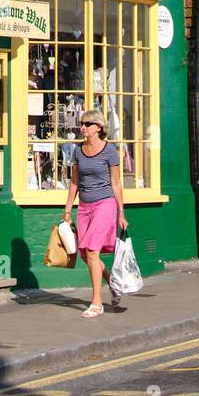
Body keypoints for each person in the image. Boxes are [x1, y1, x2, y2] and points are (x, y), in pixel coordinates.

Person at [62, 109, 127, 318]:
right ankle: (113, 284)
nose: (83, 127)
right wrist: (68, 209)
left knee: (92, 251)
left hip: (105, 205)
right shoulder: (78, 151)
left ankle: (97, 303)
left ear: (98, 127)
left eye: (87, 124)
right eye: (82, 123)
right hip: (84, 207)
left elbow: (116, 183)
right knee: (85, 254)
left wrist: (121, 212)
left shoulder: (110, 151)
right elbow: (74, 182)